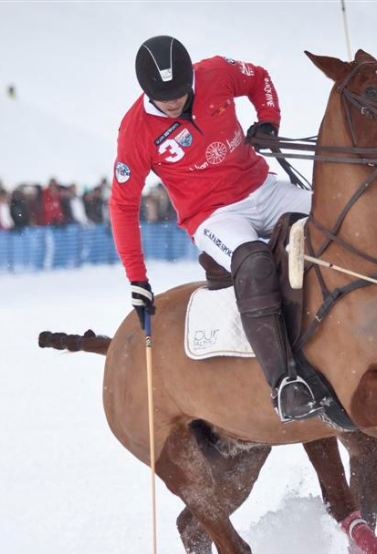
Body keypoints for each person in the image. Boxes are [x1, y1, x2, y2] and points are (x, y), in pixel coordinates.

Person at [110, 35, 318, 422]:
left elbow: (259, 79)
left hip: (263, 187)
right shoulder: (135, 130)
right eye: (163, 97)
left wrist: (269, 120)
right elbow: (122, 205)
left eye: (179, 91)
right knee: (254, 263)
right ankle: (285, 384)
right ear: (146, 92)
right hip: (213, 217)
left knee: (336, 218)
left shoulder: (216, 73)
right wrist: (137, 277)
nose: (174, 102)